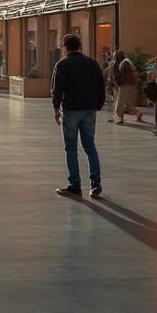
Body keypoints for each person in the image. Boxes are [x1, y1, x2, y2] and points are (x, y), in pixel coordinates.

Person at [50, 33, 106, 198]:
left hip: (71, 111)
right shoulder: (93, 64)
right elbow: (101, 87)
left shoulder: (62, 65)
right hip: (89, 110)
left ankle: (75, 186)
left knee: (71, 148)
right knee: (90, 147)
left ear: (65, 47)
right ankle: (95, 184)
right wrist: (98, 105)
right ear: (80, 46)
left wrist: (55, 109)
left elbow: (57, 89)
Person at [111, 50, 144, 124]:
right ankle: (137, 113)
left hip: (125, 85)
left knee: (121, 102)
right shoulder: (126, 61)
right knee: (127, 102)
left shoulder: (124, 63)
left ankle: (119, 118)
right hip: (127, 85)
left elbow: (124, 75)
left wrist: (118, 80)